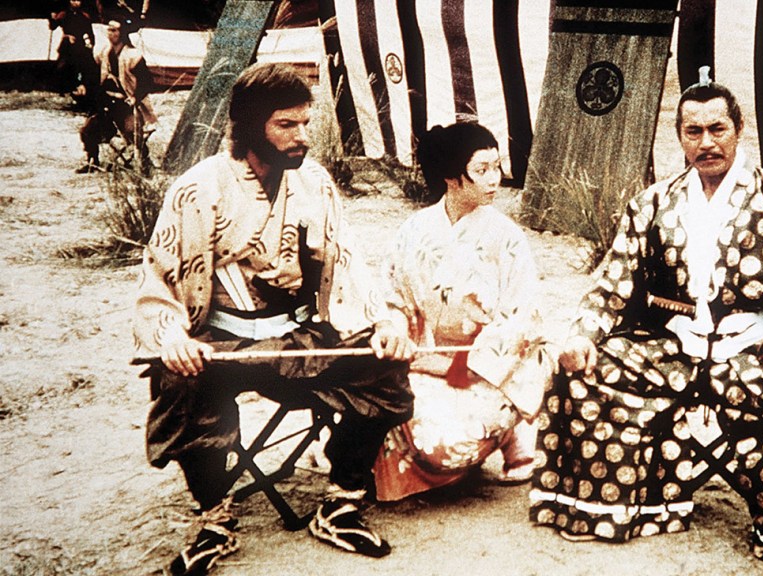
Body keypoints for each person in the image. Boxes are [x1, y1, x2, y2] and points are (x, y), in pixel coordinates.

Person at [529, 70, 763, 575]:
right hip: (674, 350)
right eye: (693, 132)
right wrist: (583, 333)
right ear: (679, 138)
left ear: (739, 129)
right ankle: (620, 504)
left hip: (756, 353)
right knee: (582, 369)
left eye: (717, 129)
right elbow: (613, 282)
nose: (706, 142)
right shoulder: (652, 203)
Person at [135, 63, 415, 575]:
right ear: (248, 126)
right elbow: (161, 279)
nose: (300, 137)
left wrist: (386, 321)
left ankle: (341, 502)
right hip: (221, 342)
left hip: (302, 339)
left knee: (385, 368)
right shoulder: (199, 190)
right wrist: (172, 335)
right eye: (286, 125)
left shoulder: (314, 182)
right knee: (177, 378)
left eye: (305, 123)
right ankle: (215, 520)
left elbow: (347, 262)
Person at [371, 122, 554, 501]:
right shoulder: (414, 230)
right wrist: (396, 334)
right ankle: (490, 444)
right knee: (405, 424)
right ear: (452, 177)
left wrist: (464, 364)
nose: (495, 180)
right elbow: (392, 296)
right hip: (425, 361)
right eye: (482, 170)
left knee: (451, 442)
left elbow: (522, 314)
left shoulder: (507, 237)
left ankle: (512, 430)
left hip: (488, 368)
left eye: (497, 167)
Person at [77, 17, 156, 173]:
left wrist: (135, 97)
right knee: (87, 130)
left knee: (133, 133)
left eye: (114, 30)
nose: (110, 33)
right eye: (109, 29)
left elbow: (147, 82)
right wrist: (84, 86)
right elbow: (94, 77)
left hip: (128, 106)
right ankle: (93, 161)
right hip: (107, 104)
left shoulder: (133, 56)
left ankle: (145, 163)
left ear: (122, 33)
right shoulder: (102, 53)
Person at [48, 0, 98, 101]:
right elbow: (53, 27)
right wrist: (52, 18)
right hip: (67, 44)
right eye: (74, 0)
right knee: (62, 66)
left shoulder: (84, 16)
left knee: (86, 66)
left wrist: (91, 43)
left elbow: (90, 32)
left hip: (80, 45)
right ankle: (62, 90)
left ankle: (83, 90)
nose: (77, 3)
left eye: (79, 1)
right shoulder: (64, 15)